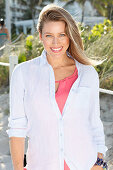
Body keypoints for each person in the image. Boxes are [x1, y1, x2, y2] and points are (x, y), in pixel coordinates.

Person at [7, 3, 108, 170]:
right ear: (40, 36)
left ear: (70, 36)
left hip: (85, 165)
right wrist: (18, 168)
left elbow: (94, 122)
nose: (56, 42)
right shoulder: (23, 73)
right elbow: (17, 127)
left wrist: (99, 162)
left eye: (62, 34)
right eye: (49, 35)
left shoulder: (88, 74)